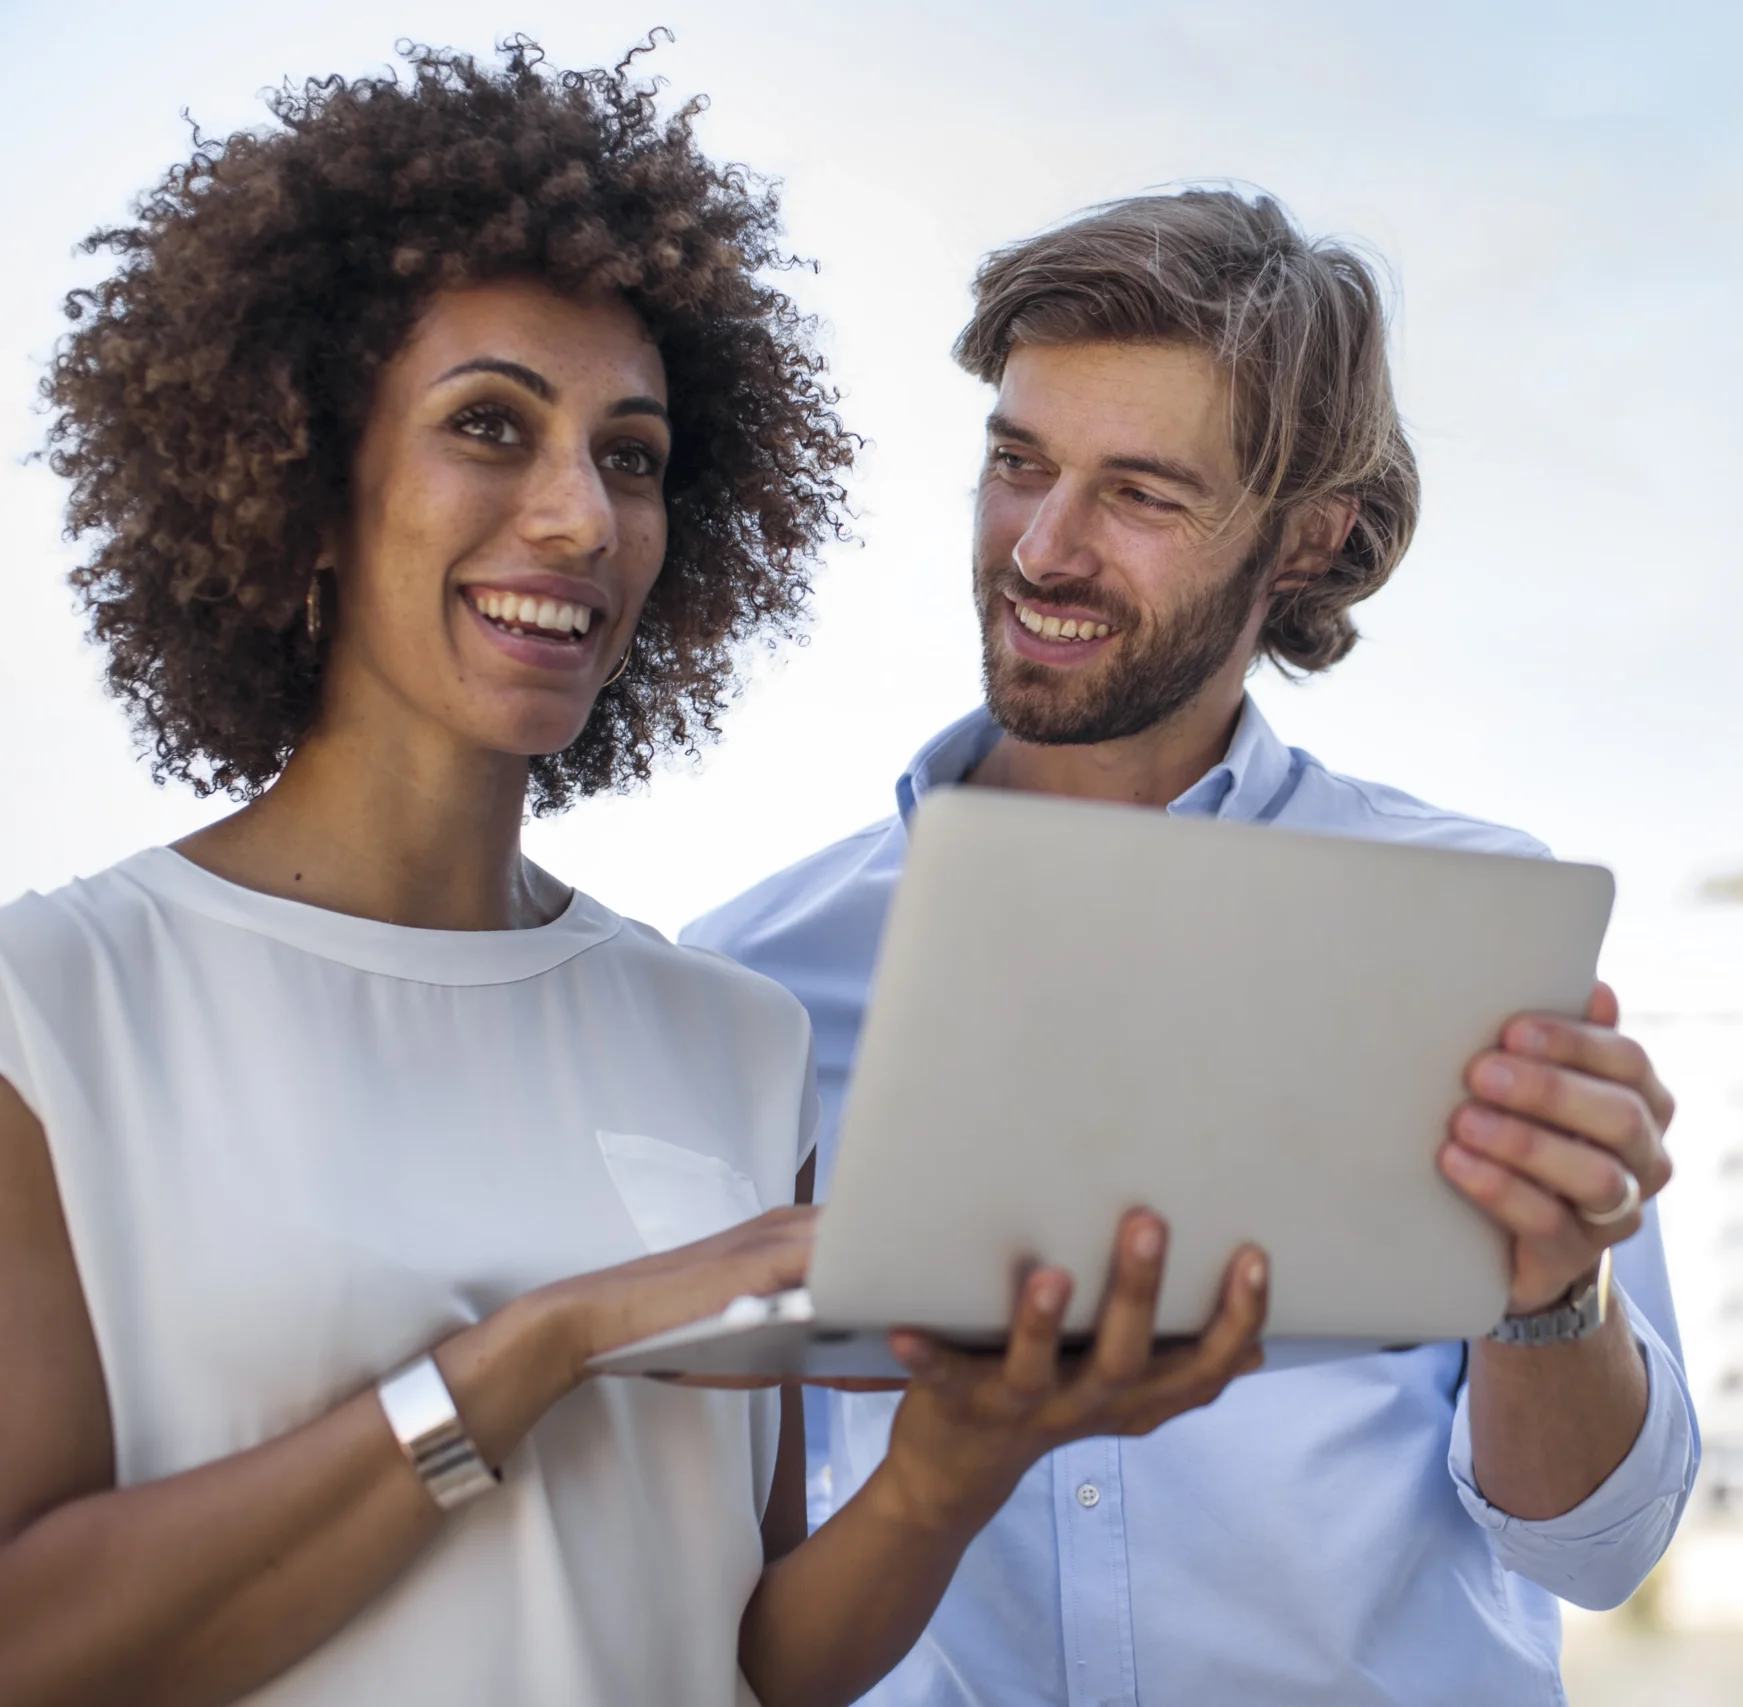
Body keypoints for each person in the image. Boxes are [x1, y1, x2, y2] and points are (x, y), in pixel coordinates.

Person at [0, 47, 1264, 1707]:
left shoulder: (731, 1035)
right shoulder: (57, 1013)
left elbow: (751, 1661)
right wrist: (543, 1344)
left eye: (634, 455)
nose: (580, 517)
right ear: (304, 476)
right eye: (488, 426)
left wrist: (949, 1472)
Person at [687, 188, 1696, 1706]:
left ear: (1308, 537)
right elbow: (708, 1575)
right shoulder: (749, 983)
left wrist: (1555, 1293)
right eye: (1018, 464)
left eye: (1143, 494)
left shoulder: (1469, 930)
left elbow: (1598, 1551)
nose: (1043, 548)